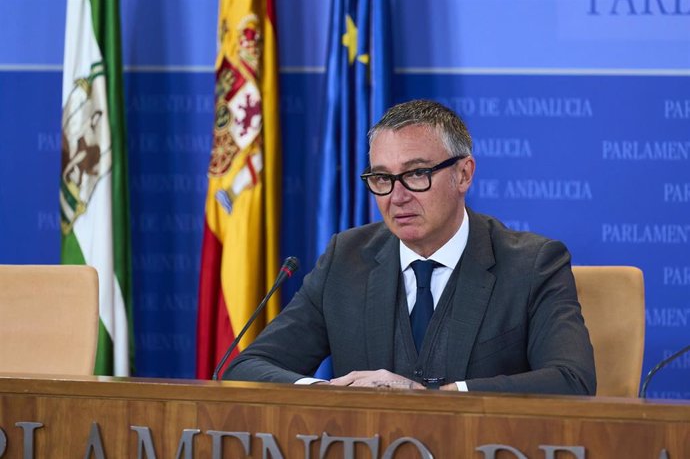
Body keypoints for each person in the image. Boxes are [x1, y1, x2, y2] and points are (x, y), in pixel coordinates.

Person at [225, 99, 596, 394]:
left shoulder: (533, 265)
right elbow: (247, 367)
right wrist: (331, 392)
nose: (396, 196)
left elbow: (570, 381)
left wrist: (444, 395)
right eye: (382, 178)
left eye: (417, 173)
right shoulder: (346, 259)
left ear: (463, 174)